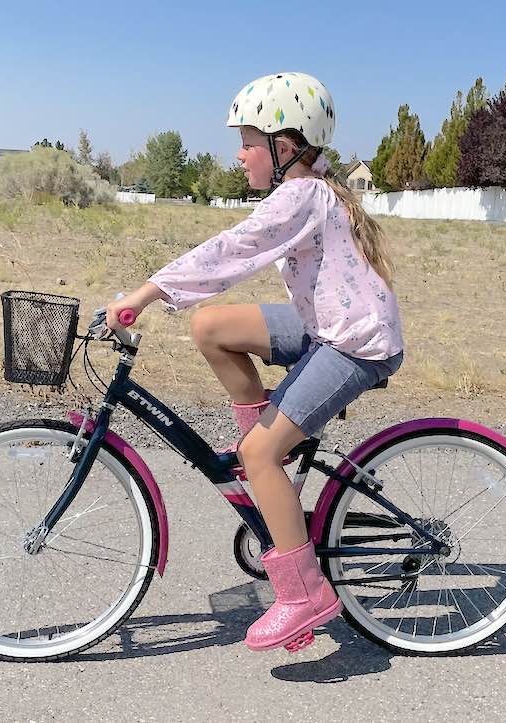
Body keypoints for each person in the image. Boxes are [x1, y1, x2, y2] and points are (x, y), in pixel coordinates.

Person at [105, 72, 404, 653]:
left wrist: (145, 294)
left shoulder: (302, 196)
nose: (240, 155)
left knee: (258, 452)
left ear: (283, 147)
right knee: (210, 326)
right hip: (328, 321)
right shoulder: (309, 189)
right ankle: (267, 456)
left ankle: (303, 594)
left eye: (247, 142)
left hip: (353, 341)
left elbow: (234, 250)